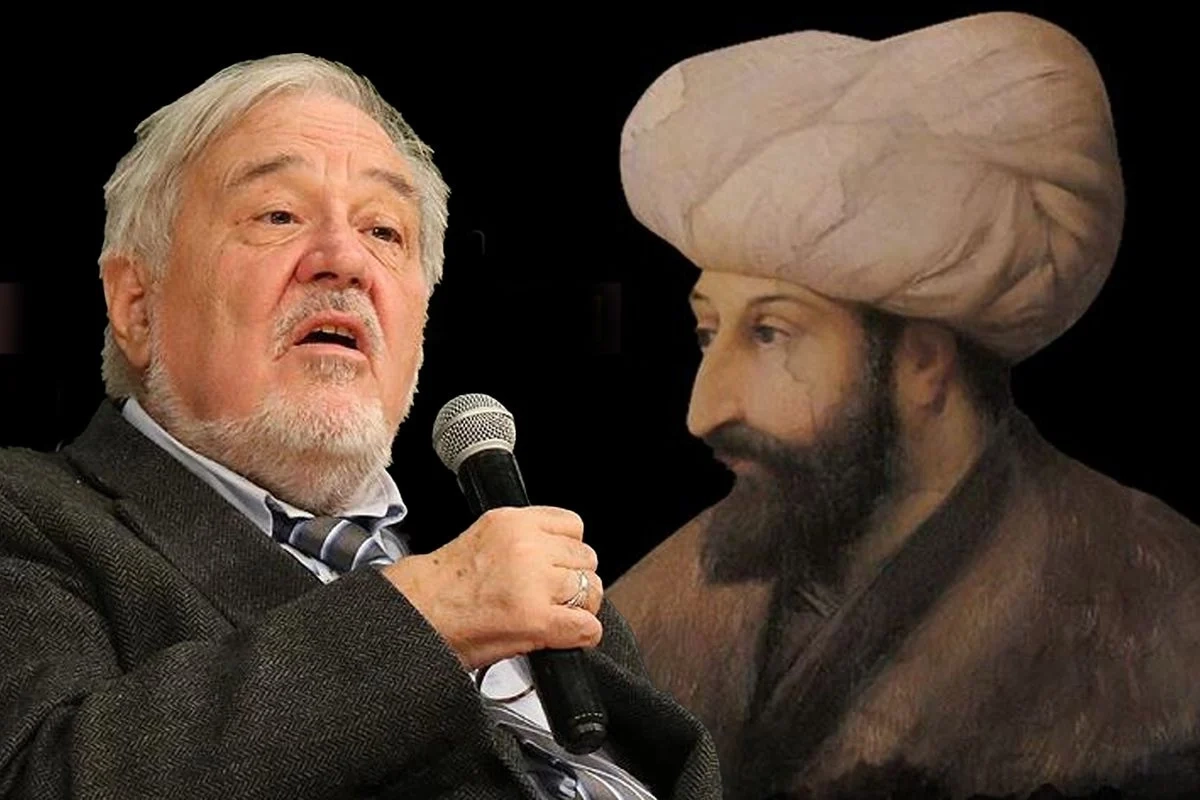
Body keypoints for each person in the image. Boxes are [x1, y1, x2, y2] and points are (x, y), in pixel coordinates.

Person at [0, 54, 719, 800]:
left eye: (383, 230)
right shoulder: (28, 516)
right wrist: (430, 616)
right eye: (278, 215)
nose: (345, 261)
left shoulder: (520, 577)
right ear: (137, 306)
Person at [607, 12, 1199, 800]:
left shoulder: (1166, 605)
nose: (703, 411)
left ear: (923, 362)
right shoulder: (650, 611)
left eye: (771, 334)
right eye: (708, 333)